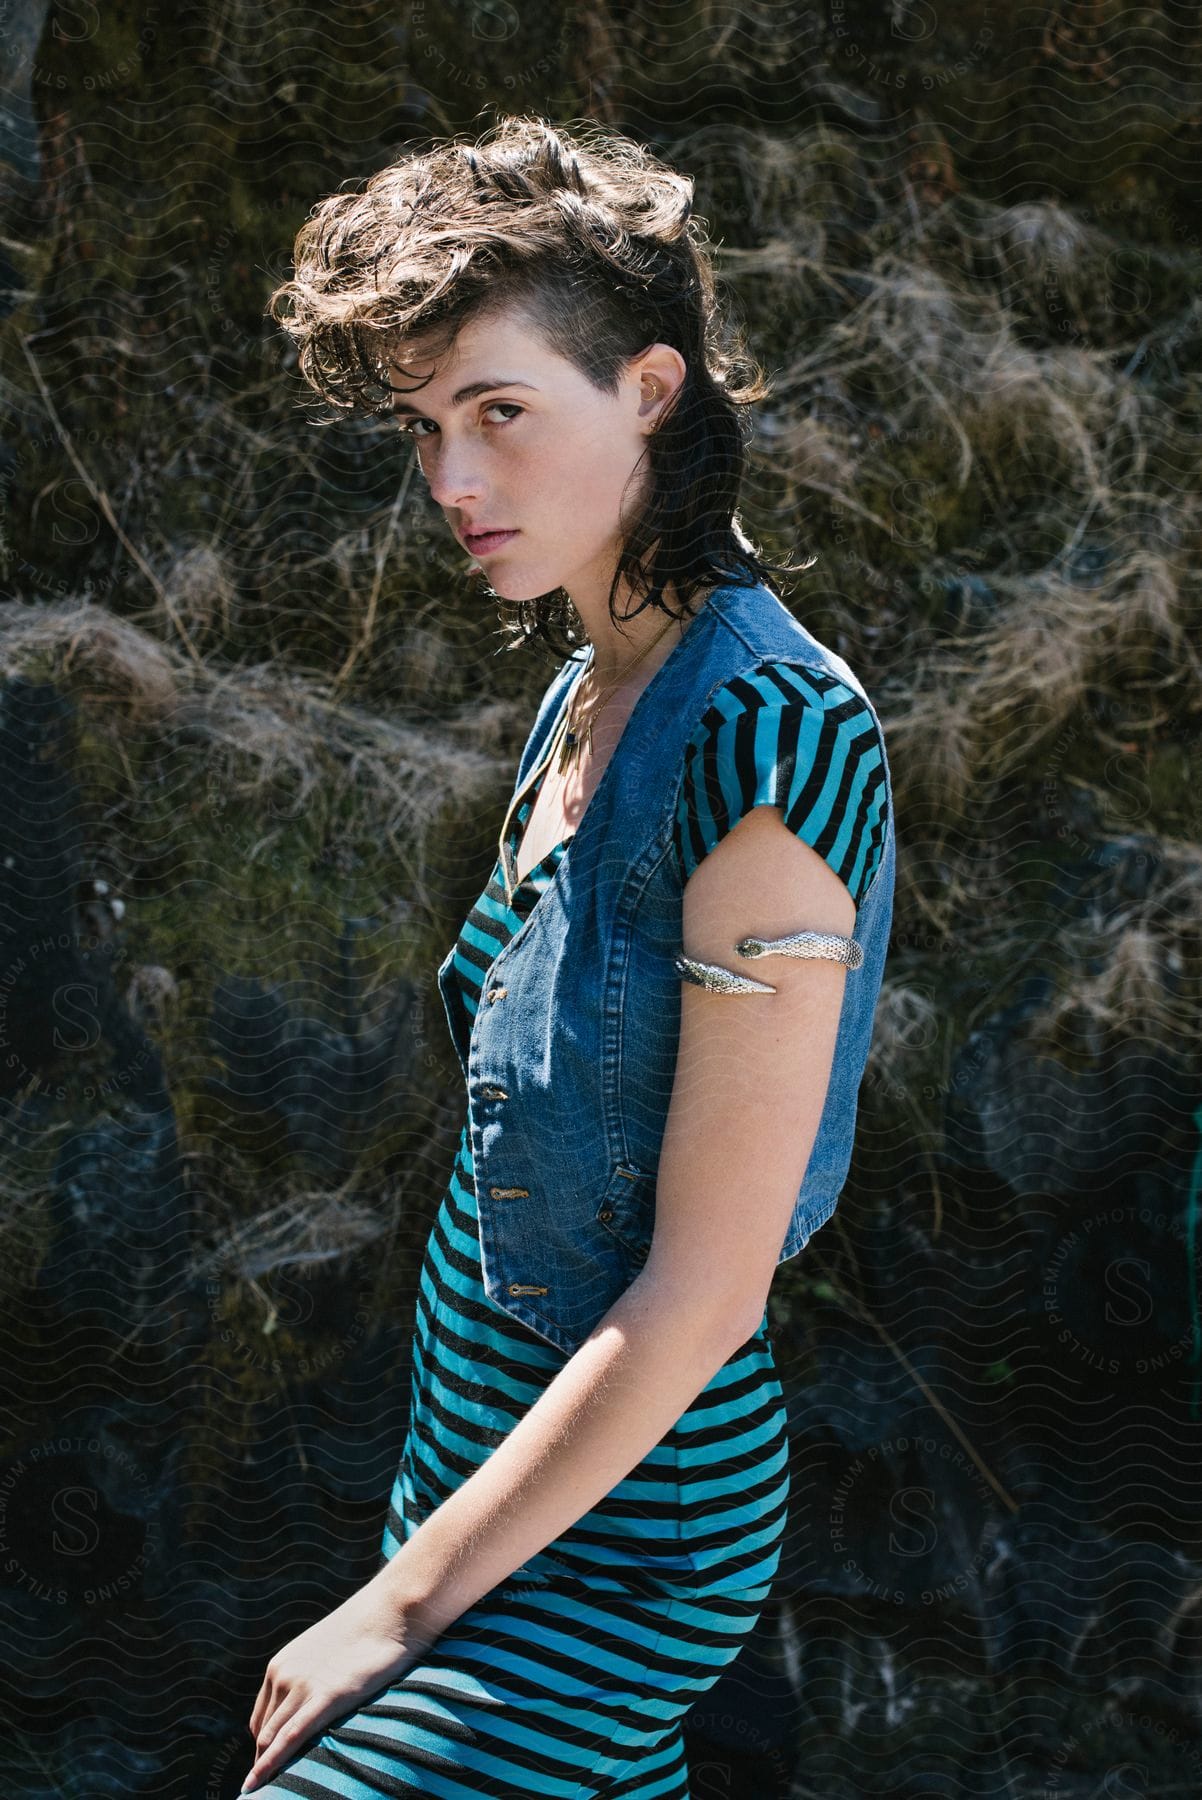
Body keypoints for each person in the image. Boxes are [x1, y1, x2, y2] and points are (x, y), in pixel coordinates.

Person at [244, 112, 895, 1798]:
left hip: (630, 1528)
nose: (453, 480)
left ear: (653, 393)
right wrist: (424, 1549)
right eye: (427, 426)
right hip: (475, 1473)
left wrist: (389, 1610)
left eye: (502, 412)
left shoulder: (766, 731)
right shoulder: (585, 689)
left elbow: (702, 1293)